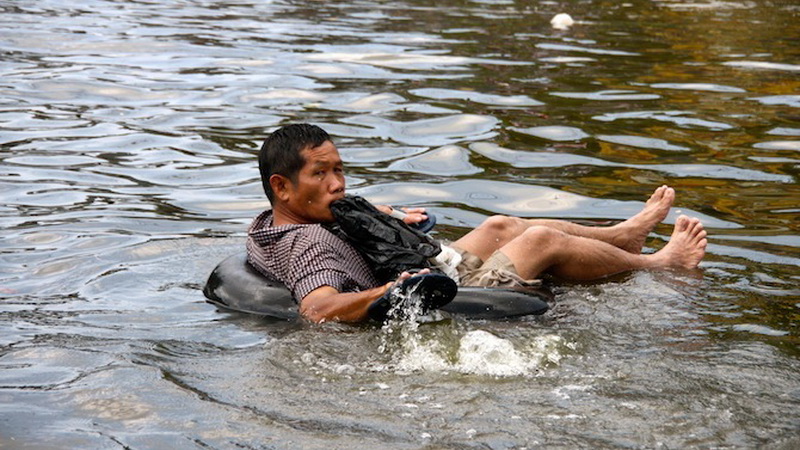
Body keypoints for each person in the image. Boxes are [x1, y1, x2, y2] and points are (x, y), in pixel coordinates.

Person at [246, 124, 707, 323]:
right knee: (541, 239)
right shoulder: (306, 243)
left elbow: (352, 221)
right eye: (321, 174)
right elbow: (318, 308)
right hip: (429, 286)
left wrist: (391, 217)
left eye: (339, 169)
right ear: (282, 186)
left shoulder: (282, 216)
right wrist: (392, 292)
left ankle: (620, 235)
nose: (337, 184)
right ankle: (660, 264)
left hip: (419, 267)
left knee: (502, 224)